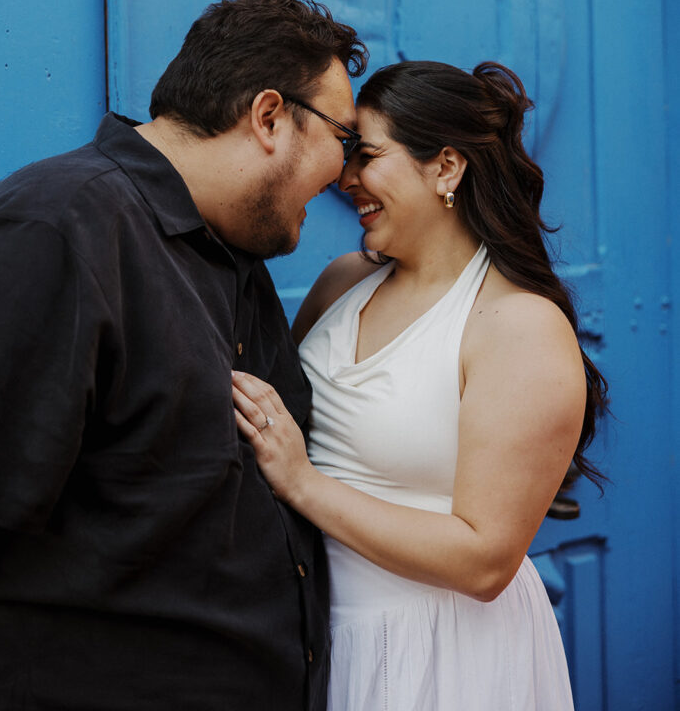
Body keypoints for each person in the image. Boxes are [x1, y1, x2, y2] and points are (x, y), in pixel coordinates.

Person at [0, 0, 368, 711]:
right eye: (343, 139)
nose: (348, 177)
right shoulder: (61, 227)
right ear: (268, 117)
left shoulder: (236, 255)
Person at [232, 59, 609, 711]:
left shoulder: (517, 325)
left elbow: (484, 560)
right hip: (318, 636)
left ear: (445, 168)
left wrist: (302, 484)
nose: (345, 178)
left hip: (442, 654)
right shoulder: (341, 283)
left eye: (367, 155)